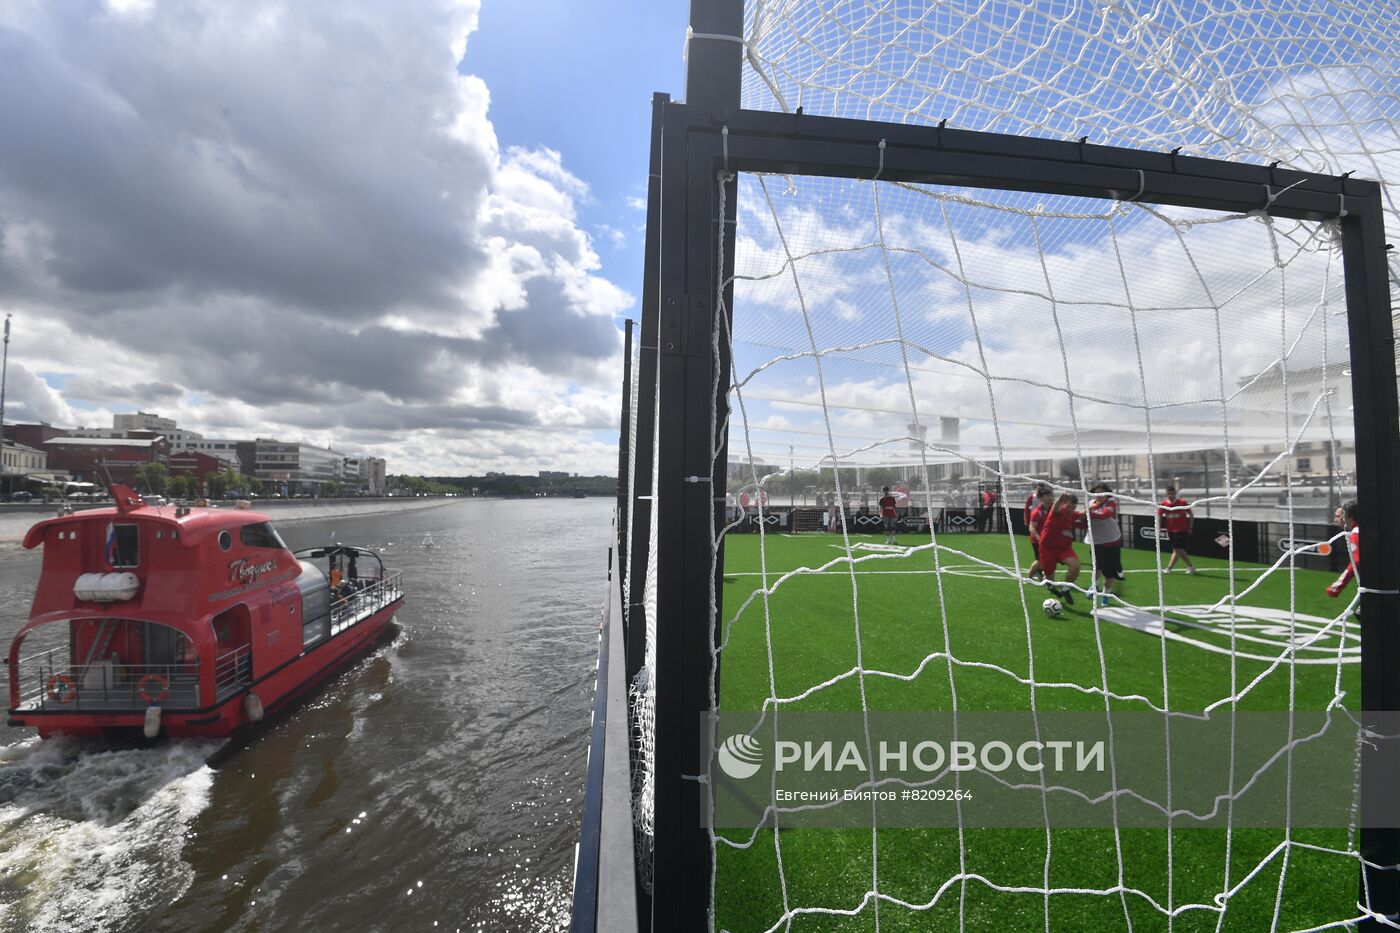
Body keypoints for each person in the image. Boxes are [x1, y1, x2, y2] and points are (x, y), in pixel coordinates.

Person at [1039, 492, 1086, 604]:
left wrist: (1094, 506)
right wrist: (1060, 499)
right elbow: (1056, 507)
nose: (1071, 509)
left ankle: (1065, 589)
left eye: (1073, 507)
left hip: (1064, 548)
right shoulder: (1057, 512)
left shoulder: (1072, 515)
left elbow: (1081, 514)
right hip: (1048, 548)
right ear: (1063, 504)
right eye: (1069, 506)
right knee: (1049, 576)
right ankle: (1050, 587)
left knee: (1076, 566)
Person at [1085, 483, 1124, 605]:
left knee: (1109, 572)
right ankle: (1094, 586)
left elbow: (1104, 515)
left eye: (1102, 493)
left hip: (1111, 541)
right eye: (1097, 493)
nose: (1099, 495)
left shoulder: (1111, 503)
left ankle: (1106, 594)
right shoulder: (1090, 504)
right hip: (1096, 541)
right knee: (1097, 566)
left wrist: (1088, 513)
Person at [1325, 500, 1360, 600]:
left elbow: (1356, 562)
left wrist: (1337, 586)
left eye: (1338, 516)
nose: (1335, 520)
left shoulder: (1356, 533)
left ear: (1348, 517)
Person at [1158, 485, 1196, 574]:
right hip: (1170, 531)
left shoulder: (1182, 502)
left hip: (1182, 530)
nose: (1171, 495)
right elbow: (1159, 516)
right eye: (1169, 494)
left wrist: (1190, 527)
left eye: (1172, 493)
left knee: (1176, 549)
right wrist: (1158, 527)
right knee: (1180, 550)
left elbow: (1191, 515)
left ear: (1175, 493)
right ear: (1166, 494)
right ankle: (1191, 566)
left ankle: (1169, 568)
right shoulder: (1164, 504)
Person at [1025, 485, 1054, 581]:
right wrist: (1039, 538)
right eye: (1047, 496)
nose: (1049, 498)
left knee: (1048, 559)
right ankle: (1028, 578)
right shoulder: (1037, 511)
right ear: (1041, 498)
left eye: (1050, 496)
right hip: (1037, 540)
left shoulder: (1052, 509)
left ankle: (1046, 578)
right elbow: (1032, 527)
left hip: (1047, 540)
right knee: (1041, 560)